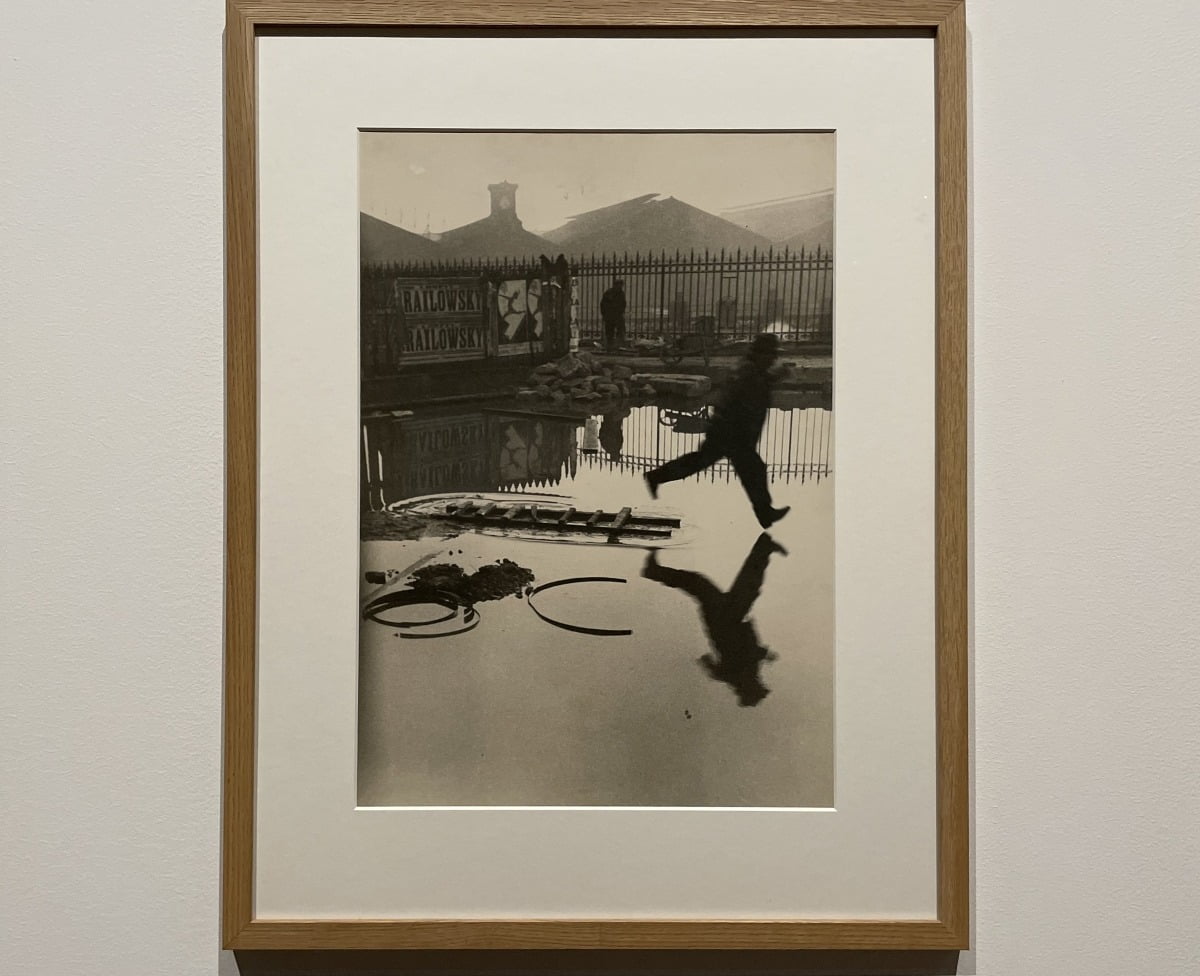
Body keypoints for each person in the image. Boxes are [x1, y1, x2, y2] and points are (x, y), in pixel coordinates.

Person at [644, 332, 790, 530]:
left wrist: (774, 377)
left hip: (730, 431)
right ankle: (765, 513)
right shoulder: (748, 372)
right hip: (731, 433)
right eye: (771, 354)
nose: (773, 358)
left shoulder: (751, 369)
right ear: (761, 354)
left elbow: (757, 383)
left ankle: (656, 476)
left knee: (705, 462)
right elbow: (744, 393)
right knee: (752, 469)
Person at [641, 533, 787, 707]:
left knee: (707, 585)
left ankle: (764, 547)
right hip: (730, 618)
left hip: (725, 621)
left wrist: (764, 655)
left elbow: (741, 657)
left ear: (750, 687)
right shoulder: (742, 674)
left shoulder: (738, 675)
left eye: (758, 686)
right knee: (739, 586)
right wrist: (763, 654)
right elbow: (738, 657)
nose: (760, 682)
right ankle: (764, 547)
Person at [599, 278, 626, 351]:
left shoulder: (621, 293)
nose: (620, 286)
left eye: (621, 285)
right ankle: (611, 346)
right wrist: (604, 314)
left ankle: (617, 346)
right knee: (610, 332)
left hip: (617, 316)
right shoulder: (609, 293)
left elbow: (623, 304)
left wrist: (621, 312)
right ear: (615, 285)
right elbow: (603, 304)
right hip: (610, 316)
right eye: (618, 285)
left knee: (619, 331)